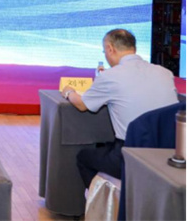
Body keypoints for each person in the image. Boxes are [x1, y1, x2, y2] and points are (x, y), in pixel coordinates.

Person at [62, 28, 178, 188]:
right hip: (169, 153)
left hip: (131, 156)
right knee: (106, 147)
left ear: (110, 49)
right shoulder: (165, 73)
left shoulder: (110, 76)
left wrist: (69, 92)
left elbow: (82, 105)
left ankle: (108, 204)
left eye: (104, 51)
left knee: (84, 158)